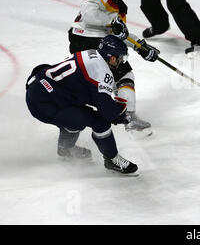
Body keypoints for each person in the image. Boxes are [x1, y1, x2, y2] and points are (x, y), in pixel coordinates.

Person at [25, 36, 142, 174]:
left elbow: (83, 89)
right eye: (121, 58)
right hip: (45, 103)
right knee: (99, 122)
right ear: (111, 58)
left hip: (39, 90)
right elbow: (107, 112)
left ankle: (65, 148)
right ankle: (112, 159)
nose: (121, 62)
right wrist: (120, 116)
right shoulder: (102, 71)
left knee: (76, 117)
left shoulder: (90, 53)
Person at [68, 0, 159, 134]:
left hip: (81, 42)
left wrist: (141, 47)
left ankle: (75, 121)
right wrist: (111, 22)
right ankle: (128, 117)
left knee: (93, 80)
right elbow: (88, 13)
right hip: (90, 40)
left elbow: (120, 34)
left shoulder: (118, 5)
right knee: (123, 75)